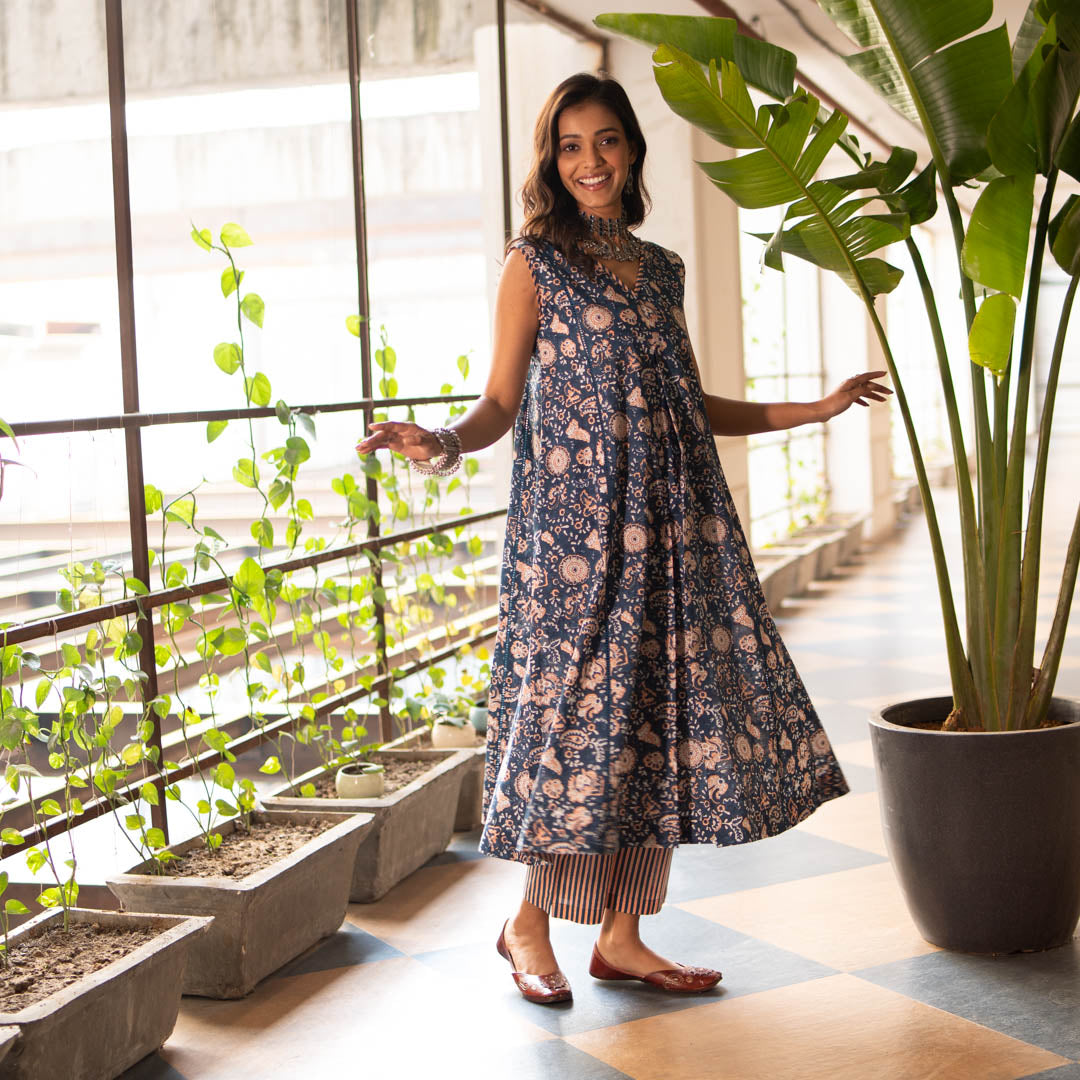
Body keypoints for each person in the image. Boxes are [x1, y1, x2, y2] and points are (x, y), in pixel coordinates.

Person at [356, 72, 892, 1006]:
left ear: (632, 150)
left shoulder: (664, 272)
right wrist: (440, 441)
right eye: (569, 146)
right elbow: (500, 402)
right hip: (570, 543)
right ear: (551, 162)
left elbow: (690, 401)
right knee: (569, 727)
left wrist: (816, 407)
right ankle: (526, 922)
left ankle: (623, 937)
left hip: (671, 531)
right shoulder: (534, 263)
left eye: (604, 141)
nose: (589, 161)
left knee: (654, 725)